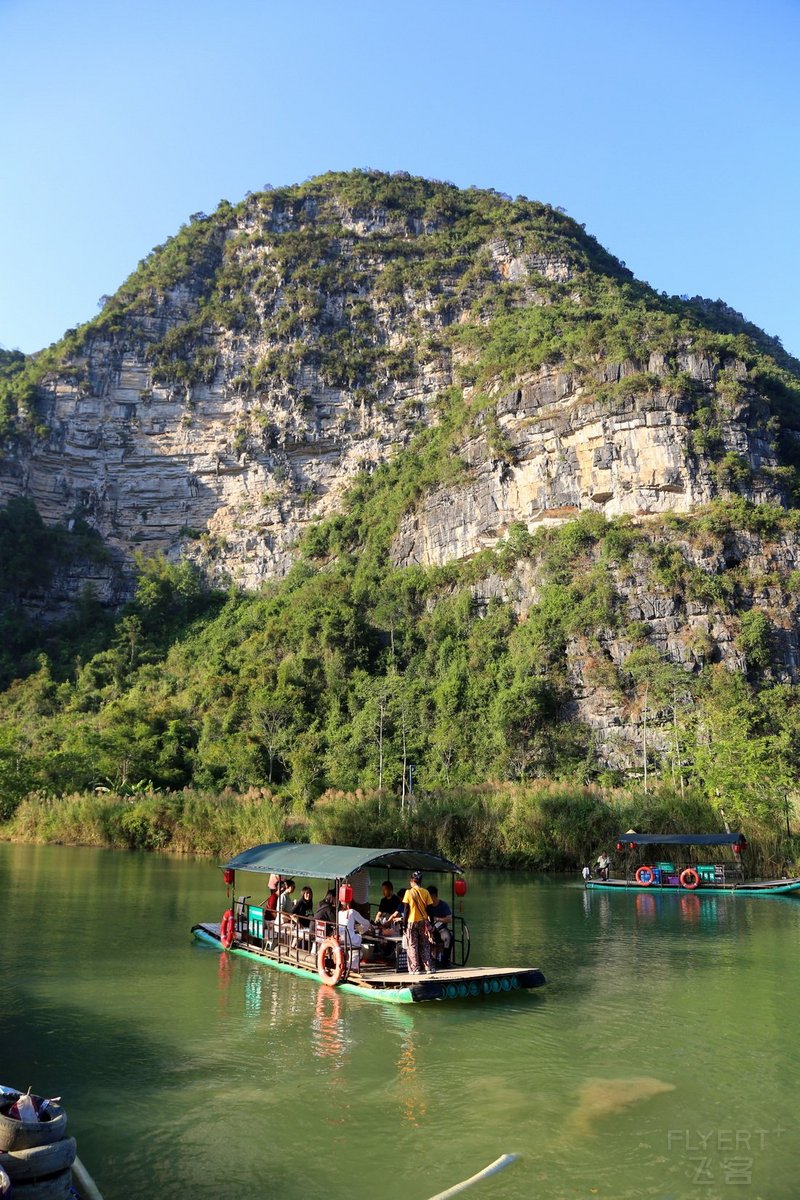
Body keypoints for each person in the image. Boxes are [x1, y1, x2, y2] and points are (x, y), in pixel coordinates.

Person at [402, 870, 435, 974]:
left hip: (411, 922)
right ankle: (428, 967)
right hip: (423, 922)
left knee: (412, 945)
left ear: (412, 881)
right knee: (425, 944)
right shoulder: (426, 892)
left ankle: (415, 968)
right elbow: (430, 910)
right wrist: (432, 923)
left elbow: (406, 910)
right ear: (421, 881)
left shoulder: (408, 892)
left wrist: (404, 924)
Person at [427, 885, 453, 966]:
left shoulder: (443, 905)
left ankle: (445, 960)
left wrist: (437, 919)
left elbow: (449, 919)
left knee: (448, 937)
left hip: (441, 928)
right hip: (429, 928)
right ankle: (428, 960)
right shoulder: (427, 906)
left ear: (433, 896)